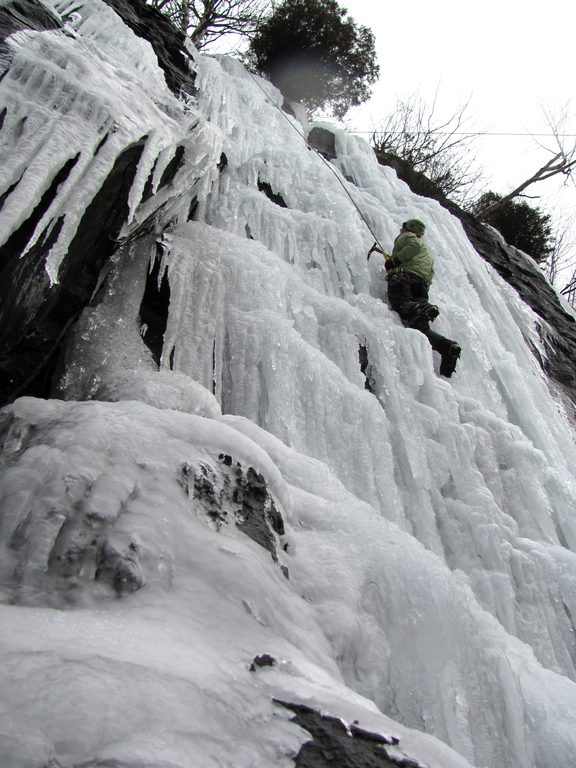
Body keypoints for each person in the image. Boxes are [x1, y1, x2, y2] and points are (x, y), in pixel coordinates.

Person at [370, 219, 461, 378]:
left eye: (402, 228)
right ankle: (446, 347)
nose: (399, 230)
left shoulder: (408, 237)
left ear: (407, 229)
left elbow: (414, 246)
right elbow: (428, 273)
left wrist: (395, 261)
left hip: (405, 277)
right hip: (422, 286)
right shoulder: (428, 255)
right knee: (419, 327)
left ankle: (417, 308)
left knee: (400, 302)